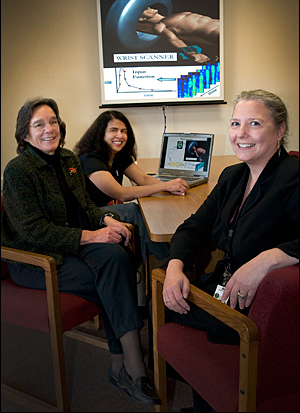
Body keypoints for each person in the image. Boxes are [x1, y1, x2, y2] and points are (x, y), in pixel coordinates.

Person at [1, 97, 160, 406]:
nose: (49, 129)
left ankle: (123, 364)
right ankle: (130, 365)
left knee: (116, 257)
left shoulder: (67, 159)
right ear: (24, 135)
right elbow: (33, 231)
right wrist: (92, 235)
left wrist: (108, 220)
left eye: (53, 122)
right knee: (113, 276)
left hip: (73, 246)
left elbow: (86, 206)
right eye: (39, 124)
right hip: (37, 259)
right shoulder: (17, 171)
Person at [160, 89, 299, 412]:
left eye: (254, 124)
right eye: (236, 124)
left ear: (279, 131)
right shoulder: (233, 175)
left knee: (172, 313)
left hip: (261, 303)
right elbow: (194, 227)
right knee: (170, 299)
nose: (241, 134)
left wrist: (270, 258)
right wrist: (175, 267)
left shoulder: (292, 176)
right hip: (225, 285)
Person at [74, 110, 189, 266]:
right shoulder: (90, 160)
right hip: (89, 215)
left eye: (123, 131)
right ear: (100, 134)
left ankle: (156, 265)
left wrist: (171, 186)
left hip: (102, 211)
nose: (120, 136)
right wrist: (164, 186)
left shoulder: (117, 155)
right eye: (113, 130)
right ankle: (171, 263)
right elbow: (121, 194)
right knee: (134, 211)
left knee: (144, 212)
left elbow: (142, 178)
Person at [137, 7, 220, 63]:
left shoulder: (174, 15)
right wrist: (192, 54)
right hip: (216, 33)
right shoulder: (159, 26)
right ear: (141, 19)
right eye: (144, 10)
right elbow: (173, 39)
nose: (148, 7)